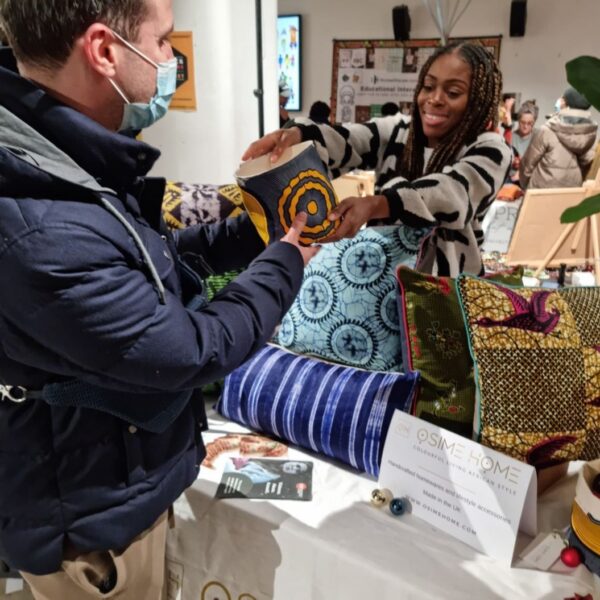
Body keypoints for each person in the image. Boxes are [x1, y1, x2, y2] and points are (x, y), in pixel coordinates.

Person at [0, 1, 318, 598]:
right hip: (93, 527)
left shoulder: (55, 158)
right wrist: (287, 262)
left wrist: (249, 233)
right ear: (104, 51)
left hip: (110, 479)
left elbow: (147, 262)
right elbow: (189, 350)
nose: (174, 60)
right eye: (166, 42)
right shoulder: (40, 224)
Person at [244, 41, 512, 277]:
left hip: (445, 296)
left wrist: (377, 205)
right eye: (428, 86)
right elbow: (348, 139)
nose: (435, 99)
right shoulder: (399, 131)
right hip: (381, 283)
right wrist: (298, 134)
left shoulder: (491, 148)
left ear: (477, 100)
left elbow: (453, 194)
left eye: (453, 92)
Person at [520, 86, 598, 189]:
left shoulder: (547, 131)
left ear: (565, 102)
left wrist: (527, 187)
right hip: (570, 194)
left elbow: (527, 166)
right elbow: (586, 164)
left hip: (540, 194)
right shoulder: (590, 134)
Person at [509, 101, 539, 183]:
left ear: (534, 122)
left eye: (529, 123)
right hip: (512, 178)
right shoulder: (511, 137)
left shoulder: (537, 137)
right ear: (518, 121)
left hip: (530, 179)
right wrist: (513, 162)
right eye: (523, 122)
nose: (525, 126)